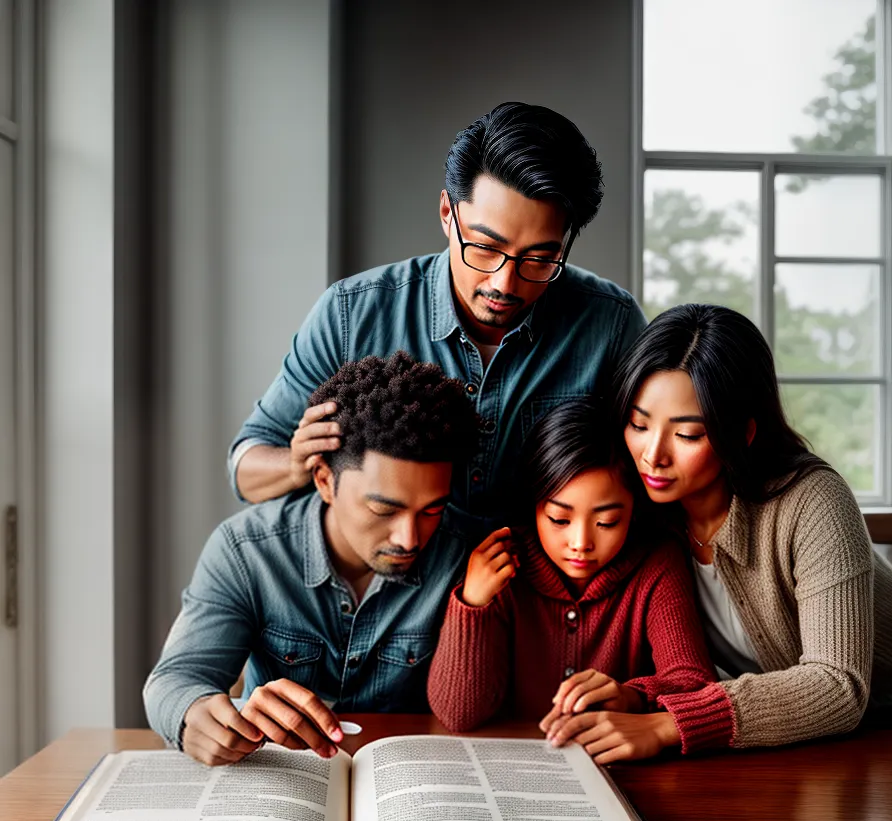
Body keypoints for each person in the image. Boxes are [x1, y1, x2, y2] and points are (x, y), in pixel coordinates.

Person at [543, 303, 892, 754]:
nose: (653, 455)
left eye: (687, 435)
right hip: (802, 725)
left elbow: (839, 686)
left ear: (743, 432)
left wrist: (668, 725)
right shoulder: (642, 509)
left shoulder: (813, 501)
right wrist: (637, 696)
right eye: (638, 423)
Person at [228, 101, 645, 541]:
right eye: (484, 247)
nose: (504, 283)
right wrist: (296, 465)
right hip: (397, 592)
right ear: (448, 213)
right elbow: (245, 469)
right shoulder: (351, 314)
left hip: (541, 597)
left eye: (540, 259)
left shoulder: (612, 326)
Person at [144, 353, 480, 766]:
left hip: (411, 785)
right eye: (383, 510)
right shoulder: (247, 549)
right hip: (279, 782)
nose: (409, 538)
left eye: (431, 510)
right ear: (324, 480)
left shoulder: (465, 554)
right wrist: (193, 714)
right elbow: (173, 681)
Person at [427, 398, 717, 764]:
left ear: (634, 508)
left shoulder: (655, 562)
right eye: (559, 520)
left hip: (622, 774)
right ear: (534, 506)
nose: (581, 543)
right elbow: (457, 714)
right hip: (511, 768)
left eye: (607, 522)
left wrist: (631, 697)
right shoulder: (504, 566)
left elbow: (696, 684)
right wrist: (473, 604)